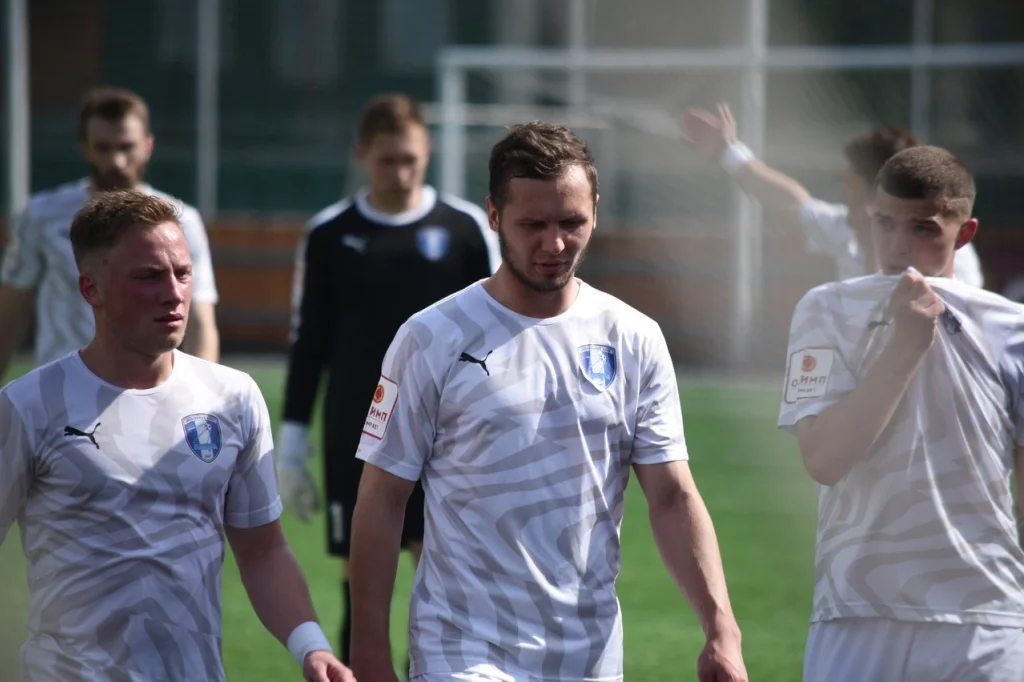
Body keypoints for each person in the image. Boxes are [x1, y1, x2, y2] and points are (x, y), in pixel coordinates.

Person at [348, 121, 748, 682]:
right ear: (494, 216)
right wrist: (368, 650)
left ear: (596, 213)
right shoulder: (431, 336)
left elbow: (671, 496)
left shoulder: (633, 337)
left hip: (588, 656)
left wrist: (721, 628)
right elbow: (383, 496)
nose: (554, 244)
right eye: (533, 224)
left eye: (571, 222)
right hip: (462, 651)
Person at [0, 190, 353, 682]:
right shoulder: (28, 405)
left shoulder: (232, 398)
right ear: (91, 289)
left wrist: (311, 647)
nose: (173, 293)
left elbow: (263, 550)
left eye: (183, 273)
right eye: (149, 276)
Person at [777, 146, 1024, 681]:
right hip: (857, 609)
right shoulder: (825, 309)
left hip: (984, 616)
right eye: (885, 224)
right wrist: (905, 346)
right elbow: (824, 459)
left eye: (922, 228)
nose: (897, 246)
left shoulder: (1012, 328)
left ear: (965, 232)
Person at [276, 94, 499, 667]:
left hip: (449, 428)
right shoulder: (330, 234)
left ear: (428, 153)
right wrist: (293, 441)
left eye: (411, 160)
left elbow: (497, 330)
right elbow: (309, 339)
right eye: (387, 161)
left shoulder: (465, 228)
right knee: (362, 575)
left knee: (438, 570)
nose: (401, 173)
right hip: (357, 428)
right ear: (362, 155)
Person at [0, 86, 220, 386]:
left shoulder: (180, 222)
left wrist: (203, 395)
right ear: (85, 148)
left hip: (147, 392)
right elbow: (9, 315)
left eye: (126, 147)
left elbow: (201, 323)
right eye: (103, 148)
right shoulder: (41, 216)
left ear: (148, 145)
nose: (116, 161)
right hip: (62, 392)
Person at [681, 102, 985, 287]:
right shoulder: (848, 230)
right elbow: (791, 202)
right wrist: (727, 152)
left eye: (850, 184)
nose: (843, 192)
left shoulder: (952, 262)